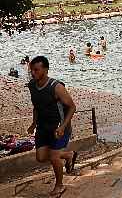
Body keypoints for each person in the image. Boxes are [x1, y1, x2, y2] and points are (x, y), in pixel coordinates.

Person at [27, 56, 77, 196]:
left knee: (54, 157)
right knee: (41, 157)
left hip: (59, 128)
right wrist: (33, 123)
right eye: (32, 70)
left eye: (36, 70)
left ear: (46, 70)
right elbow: (36, 106)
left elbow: (72, 107)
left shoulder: (56, 87)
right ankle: (68, 155)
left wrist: (63, 127)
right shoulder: (32, 85)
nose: (33, 73)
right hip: (43, 128)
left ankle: (60, 185)